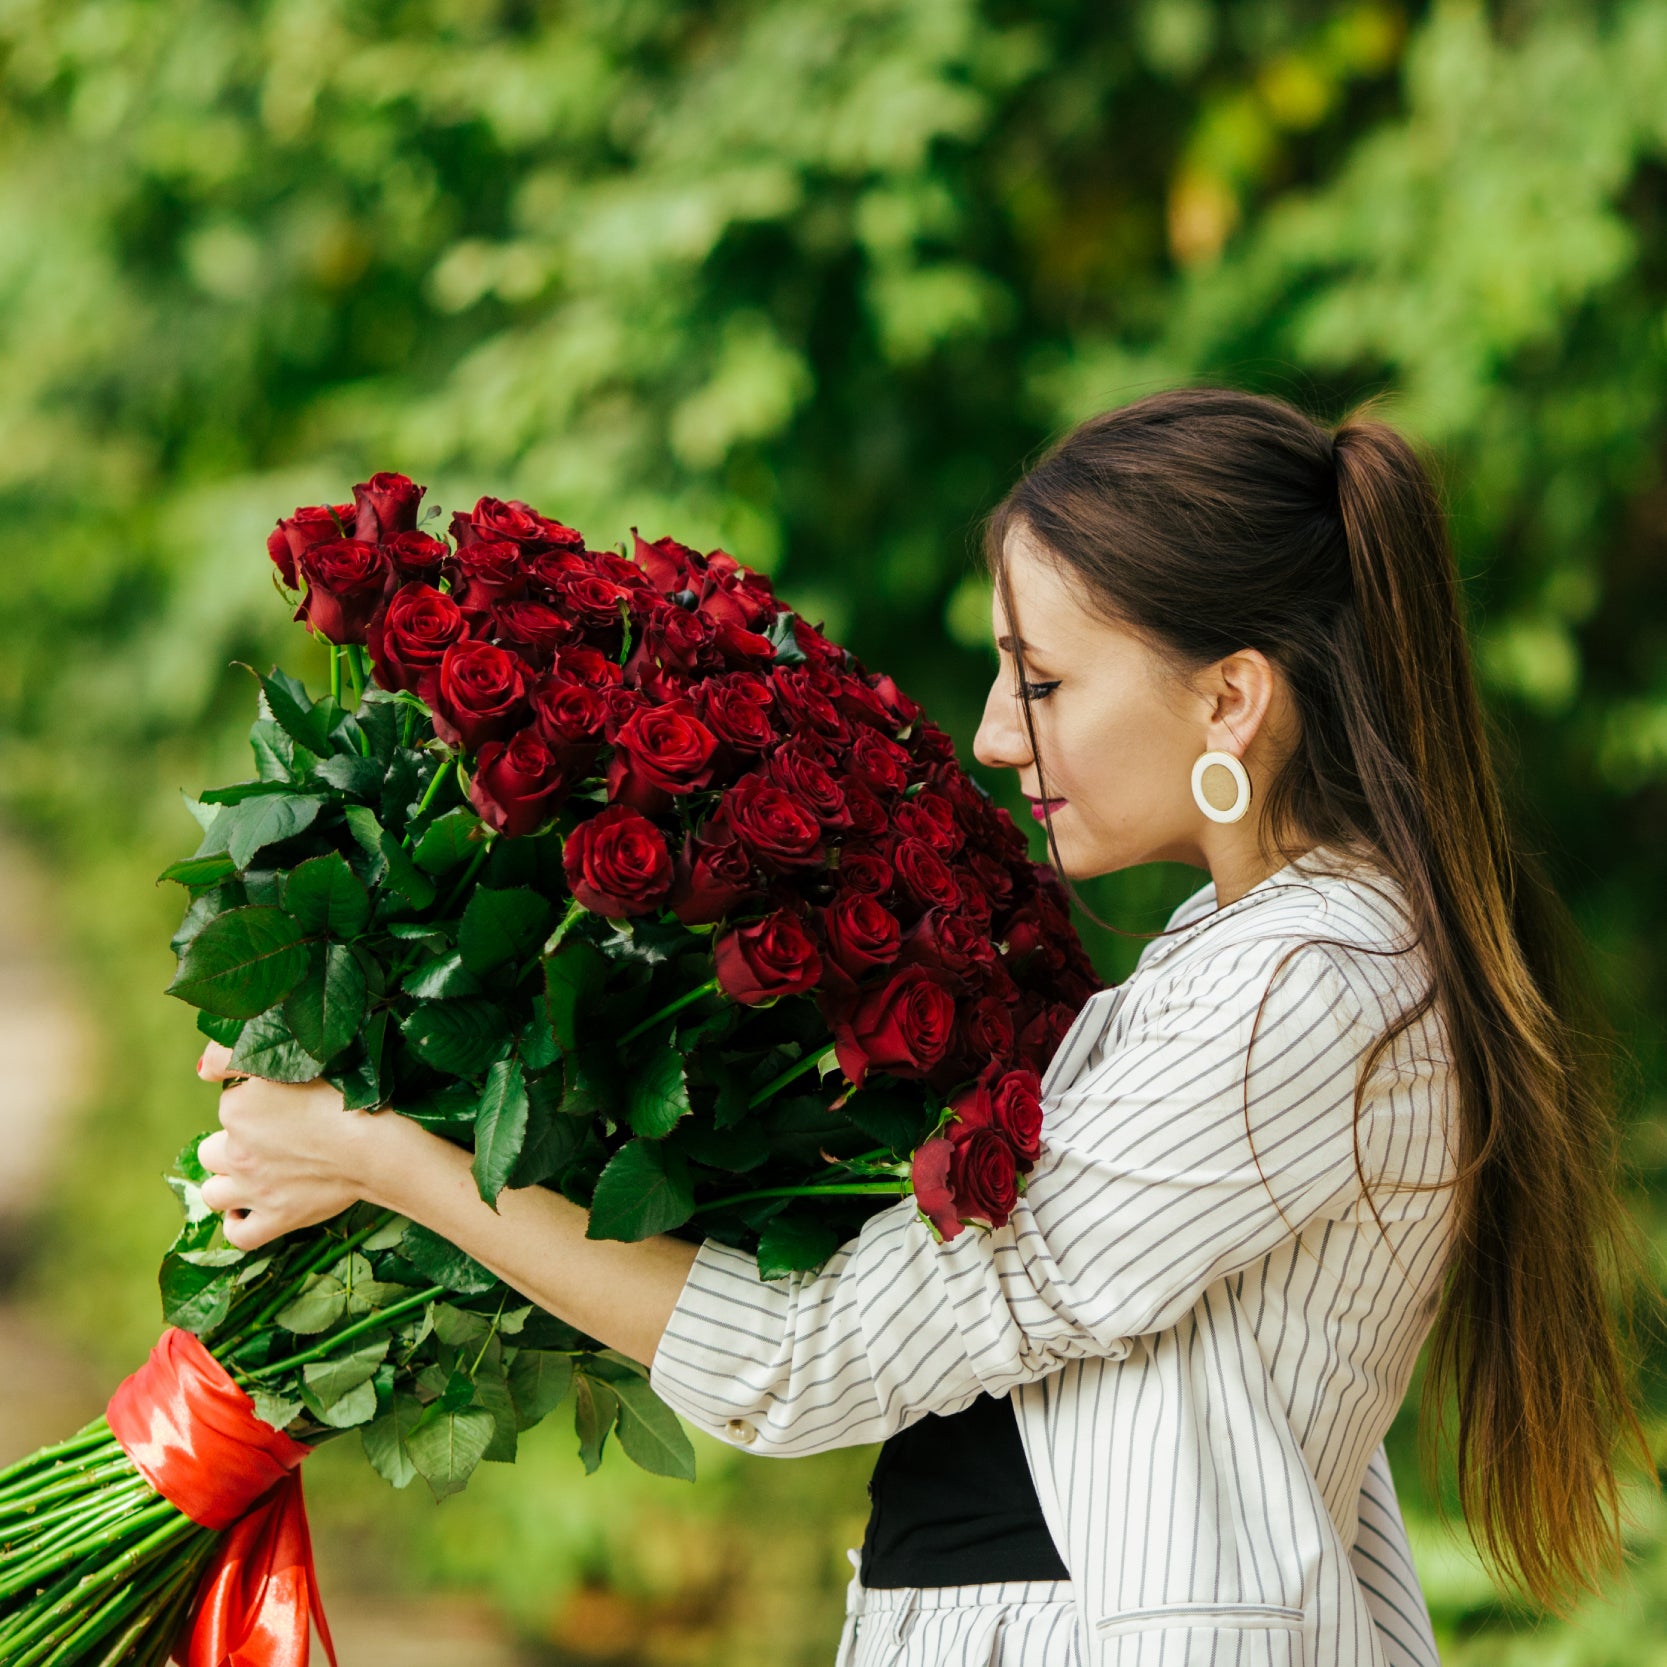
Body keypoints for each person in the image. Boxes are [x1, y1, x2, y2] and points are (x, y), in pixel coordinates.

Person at [195, 387, 1644, 1666]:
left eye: (1048, 681)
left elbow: (808, 1359)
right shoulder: (1247, 956)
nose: (1002, 736)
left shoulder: (1302, 996)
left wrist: (376, 1155)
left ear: (1231, 697)